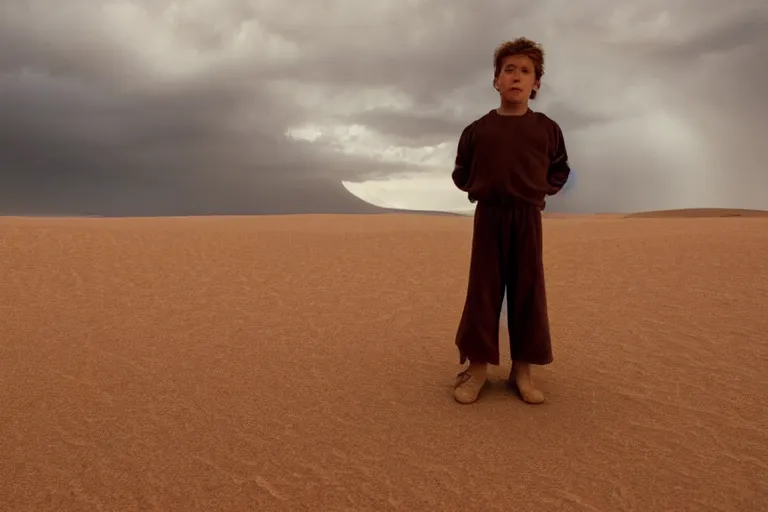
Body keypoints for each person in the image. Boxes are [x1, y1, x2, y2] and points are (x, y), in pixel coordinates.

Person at [451, 37, 571, 405]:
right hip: (489, 217)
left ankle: (523, 369)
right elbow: (460, 171)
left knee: (527, 291)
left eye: (525, 71)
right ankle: (478, 368)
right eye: (509, 70)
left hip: (527, 219)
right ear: (496, 80)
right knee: (483, 292)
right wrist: (479, 190)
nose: (516, 77)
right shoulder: (477, 130)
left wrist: (539, 192)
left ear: (536, 84)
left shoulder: (547, 129)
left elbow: (560, 168)